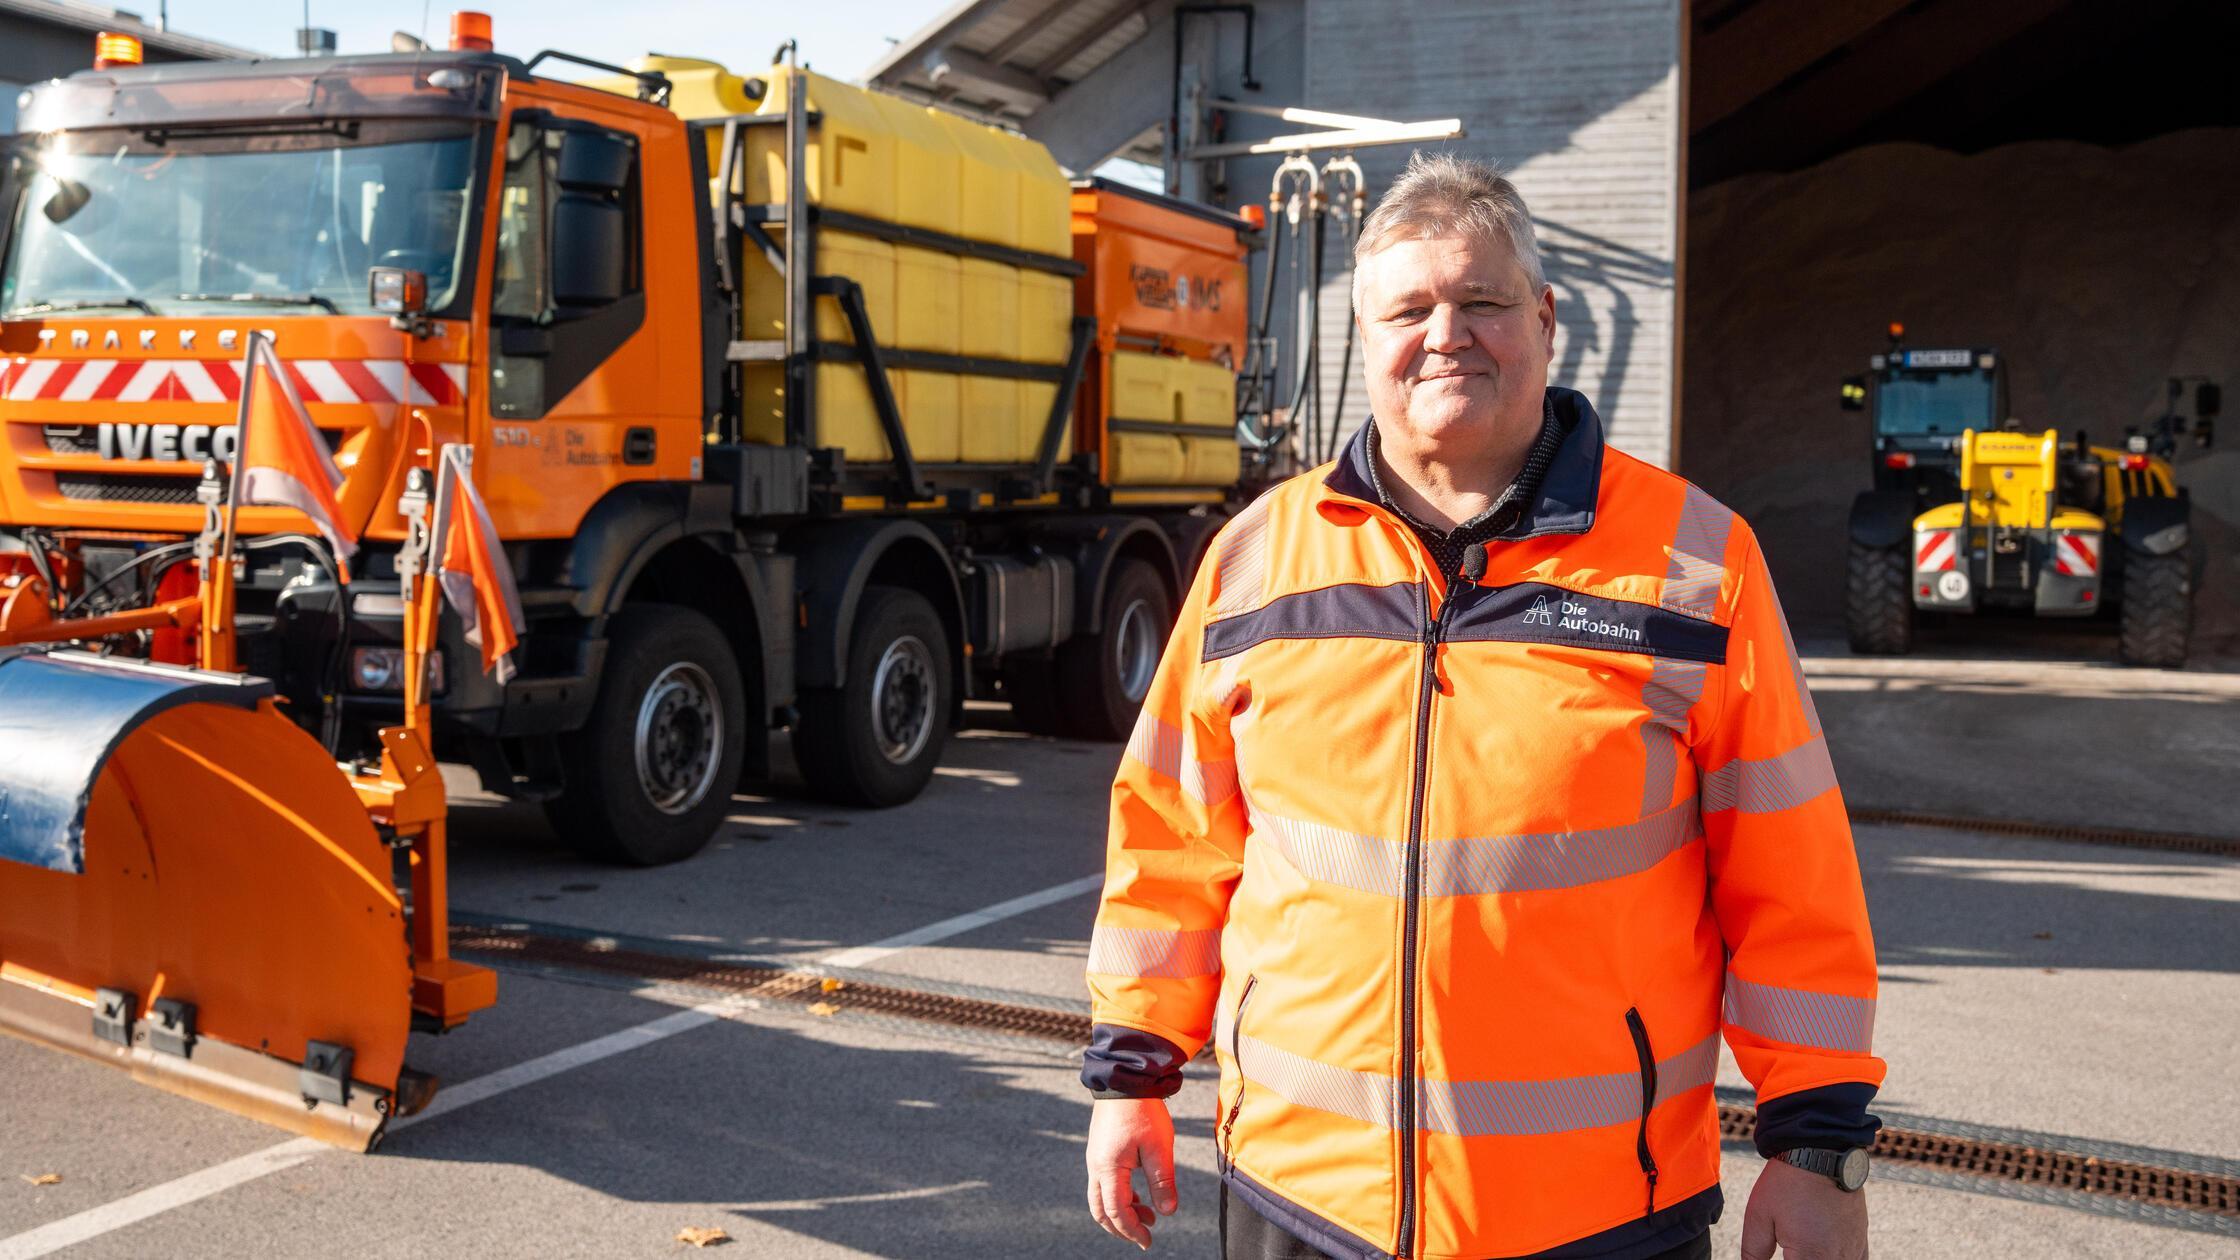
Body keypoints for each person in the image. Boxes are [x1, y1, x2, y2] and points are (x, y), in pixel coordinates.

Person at [1081, 152, 1883, 1260]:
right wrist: (1131, 1075)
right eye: (1407, 309)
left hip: (1601, 1216)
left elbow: (1790, 879)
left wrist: (1815, 1150)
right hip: (1299, 1199)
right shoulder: (1253, 559)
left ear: (1545, 322)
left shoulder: (1698, 563)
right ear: (1363, 341)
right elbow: (1169, 841)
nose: (1444, 333)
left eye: (1482, 302)